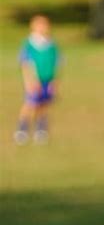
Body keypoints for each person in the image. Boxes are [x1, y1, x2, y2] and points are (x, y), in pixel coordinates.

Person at [14, 15, 61, 145]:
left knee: (44, 105)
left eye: (45, 25)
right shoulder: (29, 44)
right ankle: (22, 129)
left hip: (48, 79)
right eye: (40, 25)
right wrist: (30, 80)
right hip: (34, 81)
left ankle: (41, 129)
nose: (43, 28)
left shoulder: (51, 45)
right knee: (30, 105)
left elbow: (56, 63)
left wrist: (55, 80)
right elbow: (26, 64)